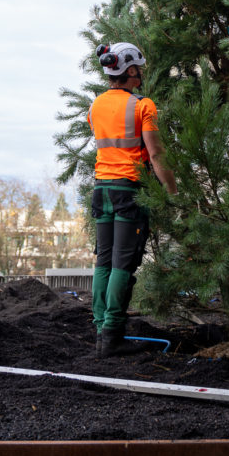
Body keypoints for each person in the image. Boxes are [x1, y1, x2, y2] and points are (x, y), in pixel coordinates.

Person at [88, 41, 177, 358]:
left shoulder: (95, 106)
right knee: (122, 264)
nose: (141, 73)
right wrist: (172, 192)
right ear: (129, 70)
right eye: (138, 68)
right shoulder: (144, 106)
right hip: (130, 191)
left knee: (104, 261)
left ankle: (100, 330)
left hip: (101, 190)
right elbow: (155, 153)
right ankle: (112, 334)